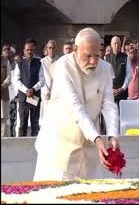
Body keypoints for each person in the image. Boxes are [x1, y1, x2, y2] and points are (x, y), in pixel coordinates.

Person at [33, 27, 120, 181]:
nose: (93, 61)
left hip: (89, 145)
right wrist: (98, 139)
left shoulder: (105, 68)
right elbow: (75, 108)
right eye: (88, 56)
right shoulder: (62, 66)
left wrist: (112, 135)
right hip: (59, 144)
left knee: (92, 195)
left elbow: (108, 104)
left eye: (97, 56)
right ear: (75, 49)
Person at [14, 41, 45, 137]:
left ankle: (34, 146)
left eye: (31, 49)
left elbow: (42, 80)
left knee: (35, 122)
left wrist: (33, 89)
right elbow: (16, 80)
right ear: (24, 51)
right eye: (27, 50)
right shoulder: (19, 63)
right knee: (23, 122)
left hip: (34, 96)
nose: (29, 51)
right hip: (23, 97)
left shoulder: (39, 63)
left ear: (34, 50)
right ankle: (20, 147)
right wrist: (26, 90)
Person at [105, 36, 132, 108]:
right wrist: (110, 89)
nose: (117, 45)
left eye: (118, 44)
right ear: (111, 45)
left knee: (123, 116)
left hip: (122, 93)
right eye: (115, 43)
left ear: (120, 45)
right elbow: (104, 76)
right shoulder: (106, 58)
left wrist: (123, 88)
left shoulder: (126, 57)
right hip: (110, 93)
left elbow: (129, 74)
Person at [39, 40, 59, 126]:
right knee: (45, 120)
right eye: (50, 48)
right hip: (46, 93)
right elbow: (41, 78)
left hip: (57, 94)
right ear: (47, 49)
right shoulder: (42, 62)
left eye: (53, 48)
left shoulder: (60, 61)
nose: (51, 50)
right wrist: (47, 90)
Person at [1, 45, 12, 137]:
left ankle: (4, 141)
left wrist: (2, 86)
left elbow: (9, 77)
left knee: (4, 118)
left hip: (3, 93)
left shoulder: (5, 61)